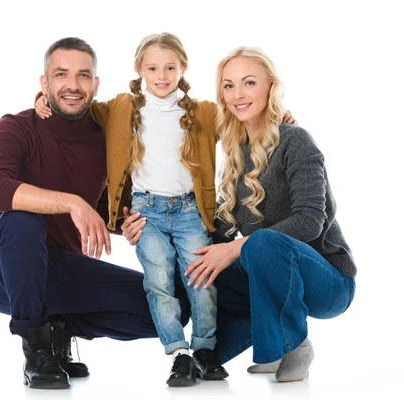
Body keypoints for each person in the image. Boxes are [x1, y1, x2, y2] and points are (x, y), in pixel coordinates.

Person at [36, 33, 294, 387]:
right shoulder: (121, 108)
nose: (161, 76)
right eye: (153, 67)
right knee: (158, 283)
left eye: (170, 67)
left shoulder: (203, 112)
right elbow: (76, 107)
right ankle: (179, 354)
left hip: (190, 211)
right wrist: (41, 98)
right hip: (146, 213)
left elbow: (243, 117)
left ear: (182, 68)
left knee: (201, 280)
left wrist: (279, 114)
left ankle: (204, 349)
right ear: (140, 69)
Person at [0, 37, 192, 390]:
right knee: (21, 221)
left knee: (172, 307)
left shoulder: (105, 135)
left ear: (96, 84)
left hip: (58, 272)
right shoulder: (16, 126)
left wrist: (133, 222)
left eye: (83, 76)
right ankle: (37, 350)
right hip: (3, 270)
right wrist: (73, 202)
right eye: (61, 75)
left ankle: (60, 328)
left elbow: (107, 205)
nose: (72, 85)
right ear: (44, 84)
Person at [125, 46, 357, 382]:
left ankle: (294, 344)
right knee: (194, 268)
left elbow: (310, 221)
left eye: (249, 83)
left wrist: (236, 248)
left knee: (260, 244)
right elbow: (219, 231)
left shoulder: (296, 141)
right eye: (229, 85)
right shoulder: (236, 151)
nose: (238, 94)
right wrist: (148, 229)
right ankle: (257, 342)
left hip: (327, 282)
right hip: (267, 275)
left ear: (269, 88)